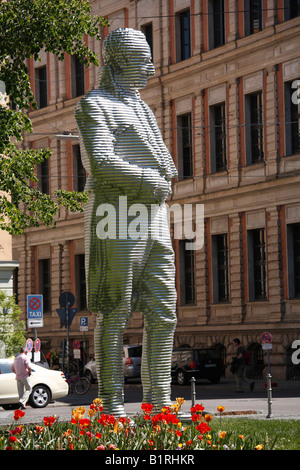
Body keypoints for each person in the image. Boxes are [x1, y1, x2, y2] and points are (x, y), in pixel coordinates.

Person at [75, 28, 178, 416]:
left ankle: (160, 401)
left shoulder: (142, 107)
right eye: (141, 61)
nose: (150, 68)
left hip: (155, 218)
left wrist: (163, 181)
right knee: (115, 311)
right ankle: (114, 407)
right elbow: (99, 163)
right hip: (115, 216)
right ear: (118, 62)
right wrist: (149, 180)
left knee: (164, 310)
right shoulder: (94, 105)